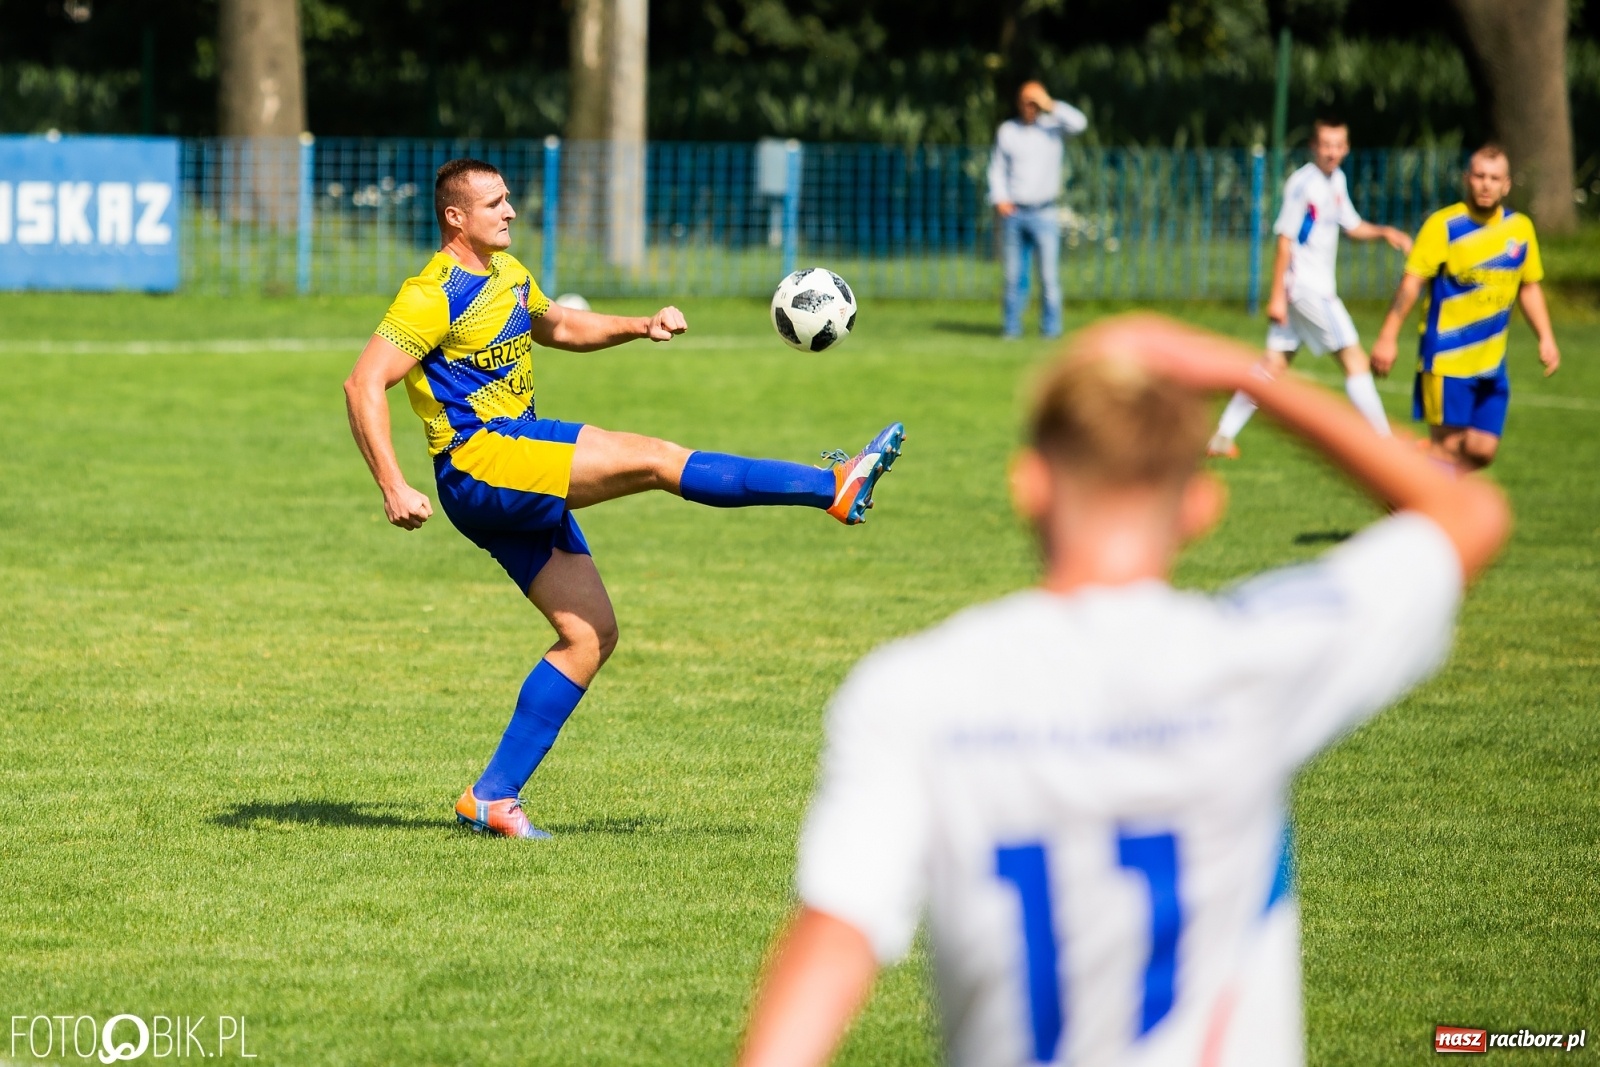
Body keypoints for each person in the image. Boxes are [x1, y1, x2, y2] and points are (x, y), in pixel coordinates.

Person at [737, 314, 1509, 1067]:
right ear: (1203, 510)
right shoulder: (1250, 661)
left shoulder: (912, 690)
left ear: (1028, 487)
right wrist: (1247, 375)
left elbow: (834, 942)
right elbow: (1468, 510)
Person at [344, 158, 905, 840]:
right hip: (482, 460)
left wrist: (640, 324)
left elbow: (560, 328)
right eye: (494, 202)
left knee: (588, 636)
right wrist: (392, 484)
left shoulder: (508, 276)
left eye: (508, 198)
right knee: (656, 458)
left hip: (509, 463)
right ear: (455, 217)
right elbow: (363, 383)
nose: (511, 210)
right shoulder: (429, 294)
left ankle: (491, 796)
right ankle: (832, 487)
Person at [1208, 120, 1412, 458]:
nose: (1332, 152)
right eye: (1325, 145)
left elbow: (1352, 224)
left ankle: (1222, 436)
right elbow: (1284, 240)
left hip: (1303, 291)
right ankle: (1385, 443)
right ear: (1313, 148)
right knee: (1355, 359)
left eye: (1338, 145)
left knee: (1273, 363)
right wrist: (1276, 297)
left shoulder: (1337, 180)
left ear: (1346, 149)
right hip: (1308, 290)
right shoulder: (1303, 184)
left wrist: (1384, 232)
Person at [1370, 143, 1560, 470]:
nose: (1486, 184)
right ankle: (1423, 509)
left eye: (1494, 177)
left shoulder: (1520, 229)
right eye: (1480, 176)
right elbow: (1411, 284)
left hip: (1491, 363)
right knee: (1447, 450)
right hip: (1446, 360)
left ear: (1507, 184)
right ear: (1466, 179)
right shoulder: (1444, 225)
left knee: (1481, 451)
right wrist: (1388, 337)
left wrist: (1545, 336)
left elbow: (1528, 286)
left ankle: (1409, 469)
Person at [987, 81, 1089, 340]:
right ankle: (1011, 330)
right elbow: (997, 168)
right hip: (1014, 212)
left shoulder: (1053, 128)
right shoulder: (1009, 131)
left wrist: (1049, 104)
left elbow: (1080, 123)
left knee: (1049, 278)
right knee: (1012, 277)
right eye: (1026, 101)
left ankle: (1051, 331)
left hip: (1045, 212)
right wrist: (1000, 199)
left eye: (1034, 102)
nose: (1029, 107)